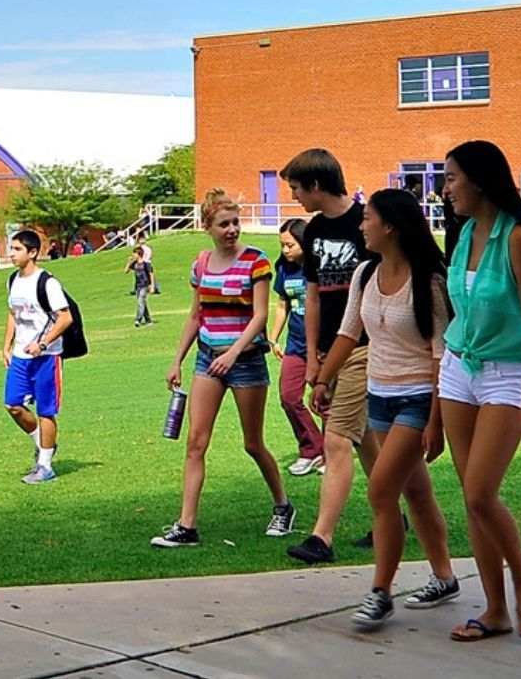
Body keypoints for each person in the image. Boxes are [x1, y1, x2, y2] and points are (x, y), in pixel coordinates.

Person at [319, 189, 461, 629]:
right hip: (377, 394)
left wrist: (436, 422)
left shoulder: (430, 281)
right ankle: (445, 577)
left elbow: (441, 356)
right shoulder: (364, 274)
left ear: (391, 226)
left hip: (418, 399)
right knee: (415, 492)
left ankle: (380, 591)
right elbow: (348, 333)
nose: (361, 226)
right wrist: (323, 378)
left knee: (381, 492)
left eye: (367, 218)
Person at [432, 140, 521, 641]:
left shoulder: (517, 238)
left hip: (504, 373)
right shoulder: (462, 235)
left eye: (453, 177)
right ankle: (496, 609)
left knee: (482, 492)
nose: (445, 188)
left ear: (480, 180)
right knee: (471, 496)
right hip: (458, 368)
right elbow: (457, 313)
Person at [155, 191, 293, 548]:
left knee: (252, 443)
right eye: (223, 224)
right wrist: (177, 360)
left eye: (235, 222)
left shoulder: (256, 261)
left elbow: (261, 315)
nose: (232, 230)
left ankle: (282, 505)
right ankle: (187, 526)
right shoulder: (201, 263)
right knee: (195, 443)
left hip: (245, 361)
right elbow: (195, 316)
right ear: (208, 227)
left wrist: (233, 353)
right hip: (207, 359)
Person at [283, 148, 380, 565]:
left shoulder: (367, 223)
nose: (295, 198)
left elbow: (378, 289)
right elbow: (313, 293)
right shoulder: (315, 229)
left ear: (316, 185)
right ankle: (393, 514)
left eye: (297, 189)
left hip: (363, 347)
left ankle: (321, 538)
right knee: (367, 441)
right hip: (327, 350)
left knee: (337, 439)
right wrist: (313, 359)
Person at [2, 230, 75, 485]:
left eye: (18, 249)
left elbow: (65, 317)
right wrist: (7, 345)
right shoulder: (12, 280)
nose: (12, 253)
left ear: (32, 252)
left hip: (47, 357)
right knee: (12, 404)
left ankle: (45, 466)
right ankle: (43, 443)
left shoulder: (48, 283)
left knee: (46, 410)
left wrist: (43, 343)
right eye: (11, 248)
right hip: (21, 356)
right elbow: (13, 313)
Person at [272, 218, 325, 476]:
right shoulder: (284, 269)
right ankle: (312, 448)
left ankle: (330, 455)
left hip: (322, 345)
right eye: (282, 245)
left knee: (324, 400)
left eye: (290, 245)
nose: (285, 251)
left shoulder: (319, 268)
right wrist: (274, 338)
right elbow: (283, 305)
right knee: (289, 397)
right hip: (295, 345)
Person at [127, 237, 156, 327]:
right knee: (143, 303)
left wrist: (152, 286)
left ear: (138, 254)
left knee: (140, 301)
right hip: (138, 286)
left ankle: (138, 320)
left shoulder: (146, 264)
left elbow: (151, 274)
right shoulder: (135, 264)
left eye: (134, 253)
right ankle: (148, 320)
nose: (133, 255)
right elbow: (126, 271)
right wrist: (128, 262)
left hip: (145, 285)